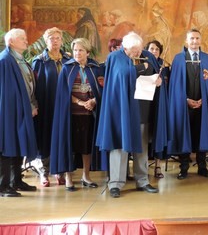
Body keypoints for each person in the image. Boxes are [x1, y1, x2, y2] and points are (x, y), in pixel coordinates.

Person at [96, 32, 160, 198]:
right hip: (121, 109)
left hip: (142, 108)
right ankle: (115, 184)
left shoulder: (146, 56)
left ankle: (143, 181)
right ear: (124, 47)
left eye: (139, 49)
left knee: (142, 147)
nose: (138, 53)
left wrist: (158, 80)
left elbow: (156, 72)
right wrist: (139, 68)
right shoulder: (115, 57)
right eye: (134, 50)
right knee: (119, 146)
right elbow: (121, 76)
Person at [50, 38, 106, 191]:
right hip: (71, 114)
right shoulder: (67, 68)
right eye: (75, 50)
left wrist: (93, 101)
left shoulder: (95, 68)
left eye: (80, 50)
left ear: (87, 52)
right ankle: (68, 178)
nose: (77, 53)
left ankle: (86, 176)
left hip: (89, 114)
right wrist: (80, 103)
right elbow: (63, 93)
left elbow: (102, 90)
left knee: (86, 145)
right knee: (71, 145)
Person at [168, 28, 208, 180]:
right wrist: (185, 100)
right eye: (192, 39)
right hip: (185, 105)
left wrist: (205, 99)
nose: (195, 41)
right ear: (186, 41)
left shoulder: (207, 59)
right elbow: (175, 85)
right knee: (185, 135)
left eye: (197, 38)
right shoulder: (178, 59)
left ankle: (202, 167)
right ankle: (184, 168)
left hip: (203, 104)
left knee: (200, 134)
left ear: (201, 40)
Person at [0, 28, 38, 197]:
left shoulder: (19, 59)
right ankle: (3, 185)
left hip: (20, 109)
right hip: (8, 112)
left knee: (17, 143)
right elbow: (5, 92)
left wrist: (30, 105)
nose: (26, 40)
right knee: (7, 145)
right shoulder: (5, 60)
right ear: (11, 42)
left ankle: (16, 180)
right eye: (22, 38)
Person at [32, 27, 71, 187]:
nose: (55, 41)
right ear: (45, 41)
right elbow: (32, 86)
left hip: (64, 106)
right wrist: (34, 105)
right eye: (51, 38)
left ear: (61, 40)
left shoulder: (67, 60)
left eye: (57, 38)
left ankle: (59, 171)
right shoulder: (39, 61)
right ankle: (44, 172)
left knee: (61, 137)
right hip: (45, 106)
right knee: (45, 138)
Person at [145, 40, 170, 179]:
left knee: (158, 134)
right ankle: (142, 168)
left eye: (156, 49)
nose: (154, 51)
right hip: (145, 105)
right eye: (151, 49)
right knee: (145, 135)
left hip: (159, 105)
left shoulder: (164, 66)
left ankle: (158, 165)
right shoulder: (142, 64)